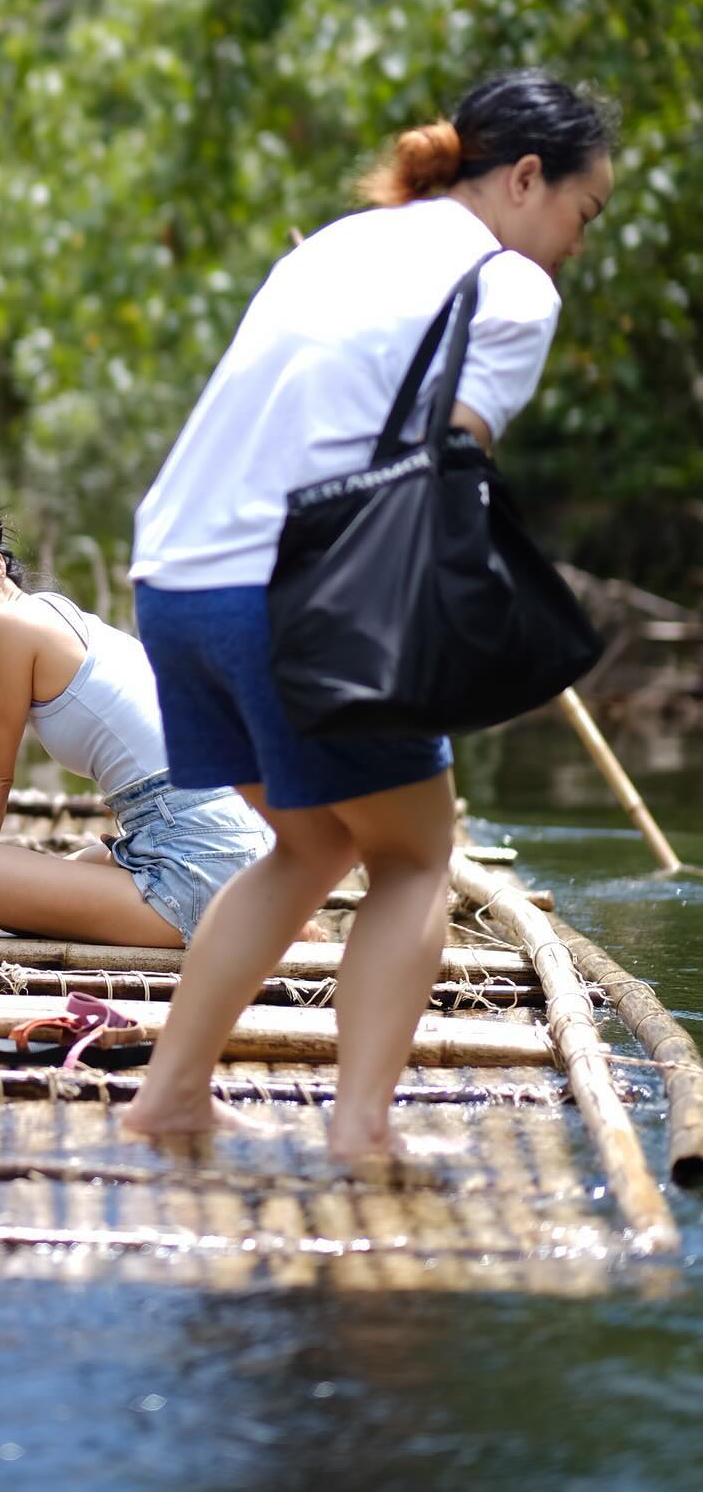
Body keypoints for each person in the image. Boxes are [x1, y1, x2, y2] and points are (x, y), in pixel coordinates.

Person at [121, 68, 616, 1166]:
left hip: (173, 582)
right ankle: (361, 1133)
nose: (578, 245)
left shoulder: (346, 239)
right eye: (584, 214)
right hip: (295, 598)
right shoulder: (513, 286)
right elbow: (448, 476)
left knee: (311, 843)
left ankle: (171, 1100)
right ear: (527, 177)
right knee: (413, 857)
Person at [0, 506, 327, 948]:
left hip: (199, 855)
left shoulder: (8, 627)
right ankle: (267, 909)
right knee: (87, 860)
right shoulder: (56, 613)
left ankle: (252, 920)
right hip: (242, 837)